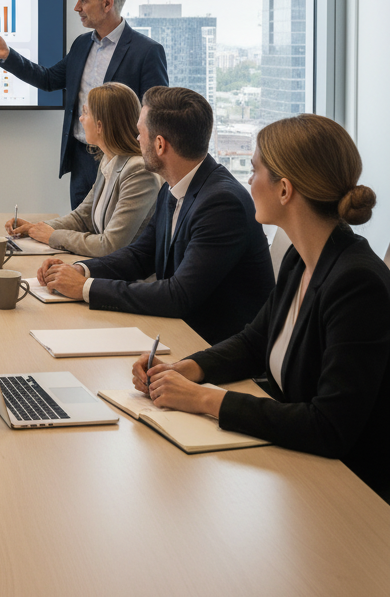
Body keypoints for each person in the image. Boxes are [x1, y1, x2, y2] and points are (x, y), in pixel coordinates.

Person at [133, 115, 390, 500]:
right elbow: (254, 342)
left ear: (284, 189)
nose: (248, 182)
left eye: (254, 171)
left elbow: (328, 426)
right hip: (296, 472)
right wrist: (186, 368)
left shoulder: (357, 284)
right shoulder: (301, 258)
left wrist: (203, 399)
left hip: (349, 493)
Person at [38, 86, 274, 345]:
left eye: (141, 133)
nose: (137, 140)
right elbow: (140, 255)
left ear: (160, 144)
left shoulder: (221, 203)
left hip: (210, 346)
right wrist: (80, 270)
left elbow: (179, 295)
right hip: (178, 332)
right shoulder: (175, 185)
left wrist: (85, 289)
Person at [0, 0, 168, 208]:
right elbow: (48, 80)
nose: (77, 7)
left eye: (83, 1)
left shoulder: (147, 51)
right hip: (80, 157)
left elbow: (154, 112)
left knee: (114, 236)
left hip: (122, 159)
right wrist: (8, 56)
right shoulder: (81, 45)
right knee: (80, 228)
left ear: (107, 3)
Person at [7, 82, 160, 257]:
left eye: (86, 112)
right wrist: (37, 228)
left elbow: (110, 246)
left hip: (127, 278)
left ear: (100, 126)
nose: (80, 118)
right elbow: (81, 217)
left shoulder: (138, 172)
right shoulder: (110, 161)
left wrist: (53, 236)